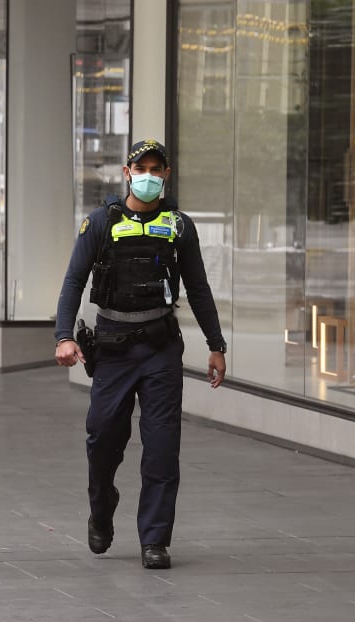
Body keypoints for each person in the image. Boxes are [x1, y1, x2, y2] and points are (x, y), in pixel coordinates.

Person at [54, 139, 226, 570]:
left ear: (166, 173)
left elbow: (199, 288)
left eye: (156, 168)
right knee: (103, 438)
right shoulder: (101, 222)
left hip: (160, 349)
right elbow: (73, 281)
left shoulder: (180, 226)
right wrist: (63, 336)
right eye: (141, 167)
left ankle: (154, 539)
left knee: (163, 447)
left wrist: (216, 345)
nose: (148, 175)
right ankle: (102, 504)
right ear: (127, 172)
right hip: (112, 346)